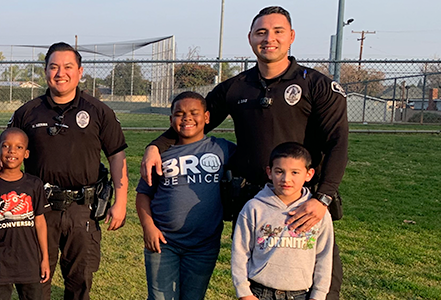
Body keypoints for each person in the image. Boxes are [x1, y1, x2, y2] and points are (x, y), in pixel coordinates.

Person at [140, 7, 348, 299]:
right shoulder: (236, 88)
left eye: (277, 31)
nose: (269, 38)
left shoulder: (316, 85)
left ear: (291, 36)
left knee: (319, 285)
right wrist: (156, 145)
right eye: (261, 32)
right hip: (254, 200)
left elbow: (338, 143)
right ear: (250, 38)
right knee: (256, 283)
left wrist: (322, 198)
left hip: (304, 202)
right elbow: (194, 119)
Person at [0, 42, 128, 300]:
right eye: (54, 67)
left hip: (82, 208)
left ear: (80, 71)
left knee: (80, 278)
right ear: (45, 72)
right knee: (37, 276)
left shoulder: (98, 111)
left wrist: (121, 202)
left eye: (67, 67)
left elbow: (116, 155)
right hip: (40, 209)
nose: (60, 73)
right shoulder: (27, 112)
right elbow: (5, 148)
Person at [135, 92, 235, 300]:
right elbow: (143, 194)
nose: (187, 118)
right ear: (170, 120)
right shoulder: (160, 154)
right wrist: (148, 227)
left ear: (207, 117)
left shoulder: (222, 148)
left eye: (194, 113)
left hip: (204, 244)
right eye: (179, 114)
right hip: (163, 241)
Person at [231, 142, 334, 300]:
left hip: (301, 294)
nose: (286, 179)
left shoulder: (317, 212)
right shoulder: (254, 208)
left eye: (295, 172)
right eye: (279, 171)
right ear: (269, 172)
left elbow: (324, 256)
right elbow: (240, 252)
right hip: (259, 292)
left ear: (309, 174)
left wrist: (318, 295)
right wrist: (244, 292)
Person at [0, 128, 50, 300]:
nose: (12, 151)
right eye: (6, 146)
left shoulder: (34, 184)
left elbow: (40, 222)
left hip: (29, 263)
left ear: (26, 154)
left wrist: (45, 258)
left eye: (19, 147)